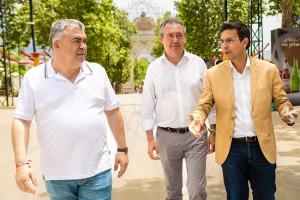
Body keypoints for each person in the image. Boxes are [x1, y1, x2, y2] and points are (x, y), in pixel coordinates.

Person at [11, 19, 129, 200]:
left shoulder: (97, 72)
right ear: (57, 44)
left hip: (97, 171)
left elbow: (113, 112)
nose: (83, 46)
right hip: (57, 177)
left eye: (84, 41)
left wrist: (122, 149)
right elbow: (21, 121)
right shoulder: (34, 78)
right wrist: (21, 164)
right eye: (76, 41)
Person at [189, 22, 298, 200]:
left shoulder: (268, 70)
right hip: (231, 150)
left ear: (244, 41)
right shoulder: (213, 74)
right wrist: (197, 118)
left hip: (262, 148)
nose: (224, 46)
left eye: (229, 41)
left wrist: (286, 111)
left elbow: (281, 100)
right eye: (222, 41)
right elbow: (204, 104)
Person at [142, 18, 216, 200]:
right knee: (173, 192)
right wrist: (150, 138)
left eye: (179, 35)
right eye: (170, 36)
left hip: (196, 135)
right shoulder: (153, 69)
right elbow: (147, 104)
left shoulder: (198, 64)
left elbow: (209, 99)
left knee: (197, 189)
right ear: (161, 39)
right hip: (166, 138)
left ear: (185, 38)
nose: (175, 40)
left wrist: (213, 129)